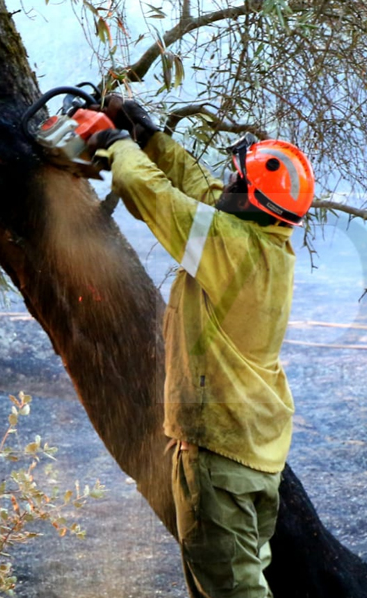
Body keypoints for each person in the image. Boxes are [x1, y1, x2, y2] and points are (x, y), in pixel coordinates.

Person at [88, 96, 314, 598]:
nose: (228, 183)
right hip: (254, 453)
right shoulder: (266, 242)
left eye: (238, 181)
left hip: (219, 458)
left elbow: (149, 194)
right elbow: (199, 189)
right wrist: (148, 136)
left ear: (252, 200)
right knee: (235, 583)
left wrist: (114, 143)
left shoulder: (228, 247)